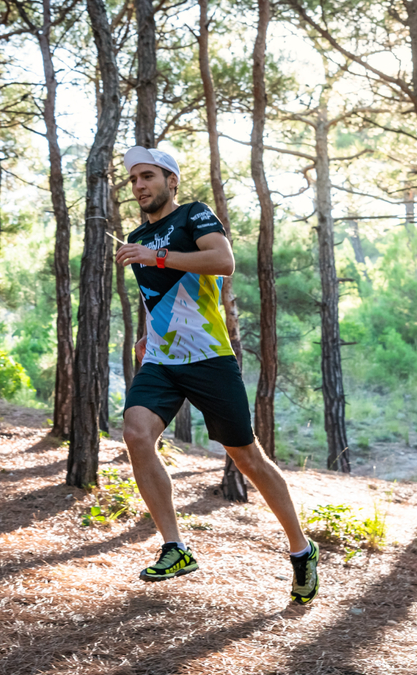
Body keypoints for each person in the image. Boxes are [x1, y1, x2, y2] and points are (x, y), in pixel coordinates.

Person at [113, 146, 320, 604]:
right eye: (133, 180)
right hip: (163, 361)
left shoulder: (194, 216)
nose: (139, 186)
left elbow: (222, 262)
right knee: (136, 431)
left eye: (148, 176)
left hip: (209, 357)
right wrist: (147, 334)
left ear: (171, 181)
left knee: (247, 459)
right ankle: (175, 546)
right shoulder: (137, 235)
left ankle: (302, 550)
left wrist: (157, 255)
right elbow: (160, 298)